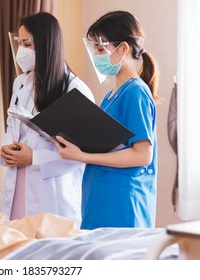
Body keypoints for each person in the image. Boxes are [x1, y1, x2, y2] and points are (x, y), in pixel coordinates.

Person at [54, 11, 161, 230]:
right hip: (100, 197)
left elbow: (143, 155)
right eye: (94, 49)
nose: (96, 55)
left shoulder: (135, 93)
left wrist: (82, 155)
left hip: (122, 203)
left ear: (123, 49)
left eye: (101, 49)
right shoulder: (111, 95)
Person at [0, 12, 94, 225]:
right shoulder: (21, 82)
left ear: (46, 44)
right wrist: (6, 148)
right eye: (20, 42)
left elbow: (82, 153)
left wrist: (34, 158)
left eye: (27, 43)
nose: (22, 50)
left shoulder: (74, 90)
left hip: (51, 193)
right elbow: (11, 126)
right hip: (16, 185)